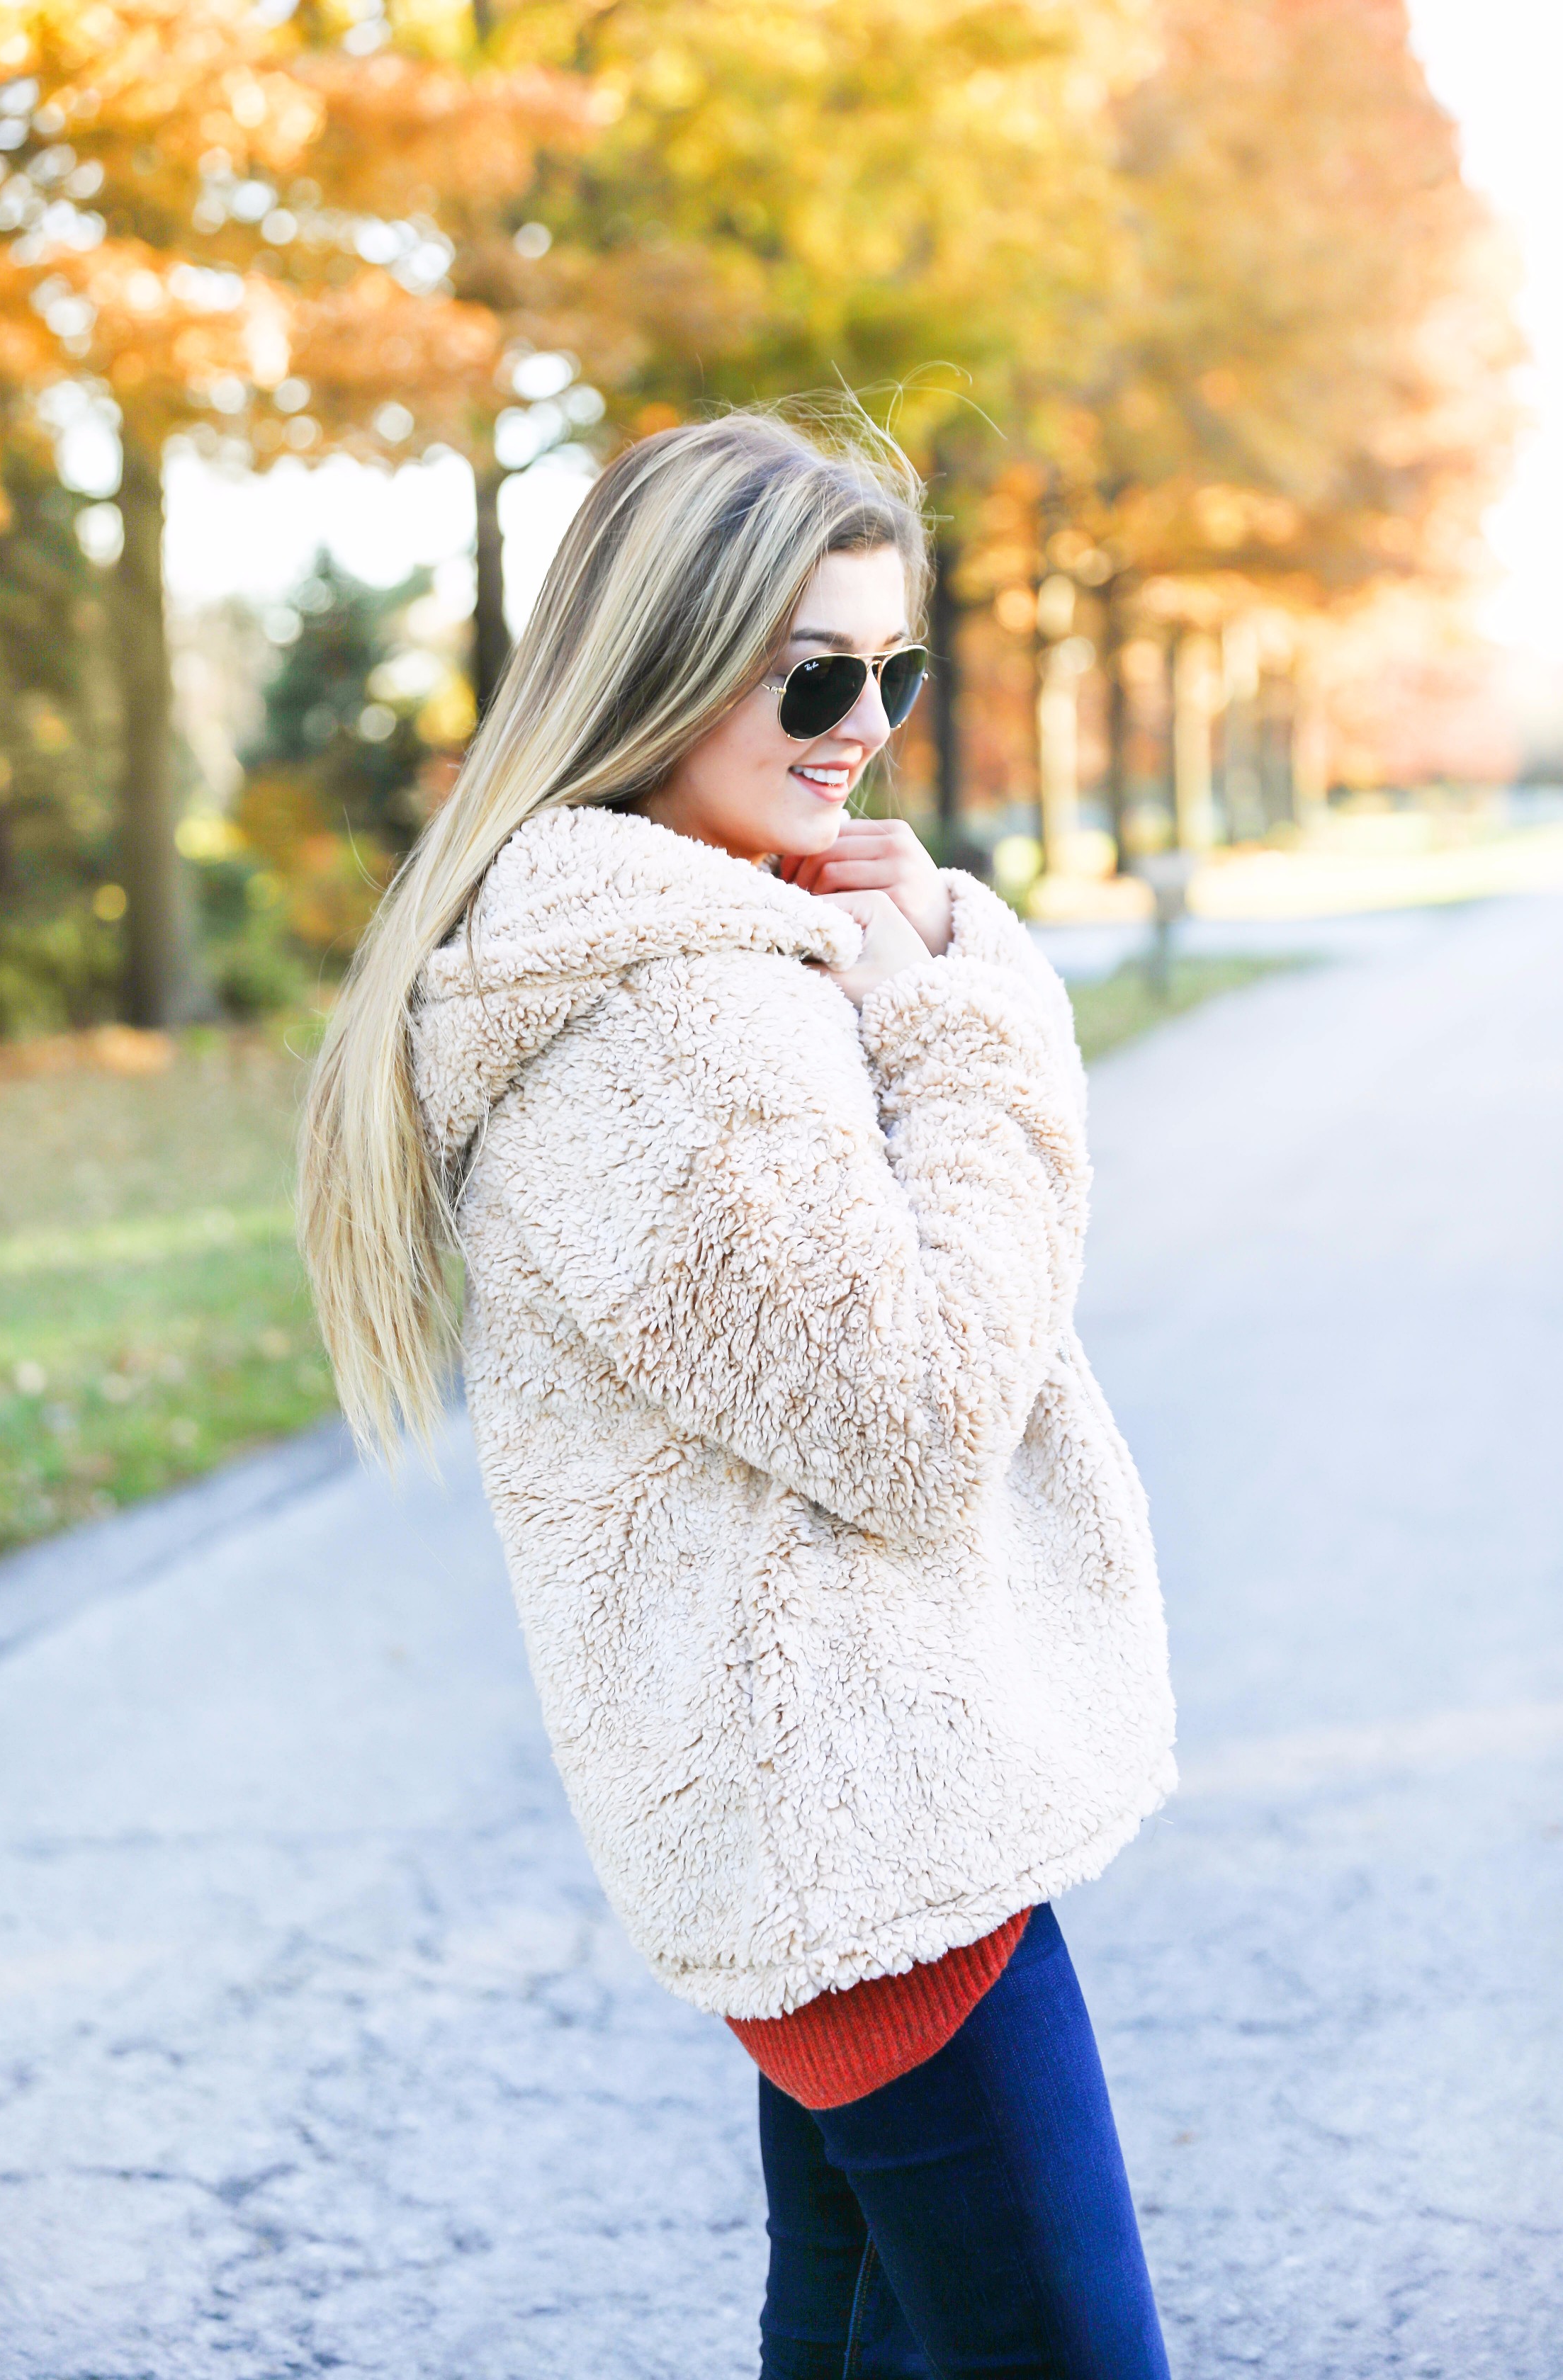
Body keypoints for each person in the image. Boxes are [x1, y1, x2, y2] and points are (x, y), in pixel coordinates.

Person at [299, 406, 1177, 2378]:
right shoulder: (671, 1019)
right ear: (667, 667)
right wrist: (972, 1012)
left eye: (893, 669)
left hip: (840, 1833)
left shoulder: (696, 957)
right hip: (880, 1850)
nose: (861, 721)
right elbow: (923, 1414)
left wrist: (885, 966)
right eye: (812, 673)